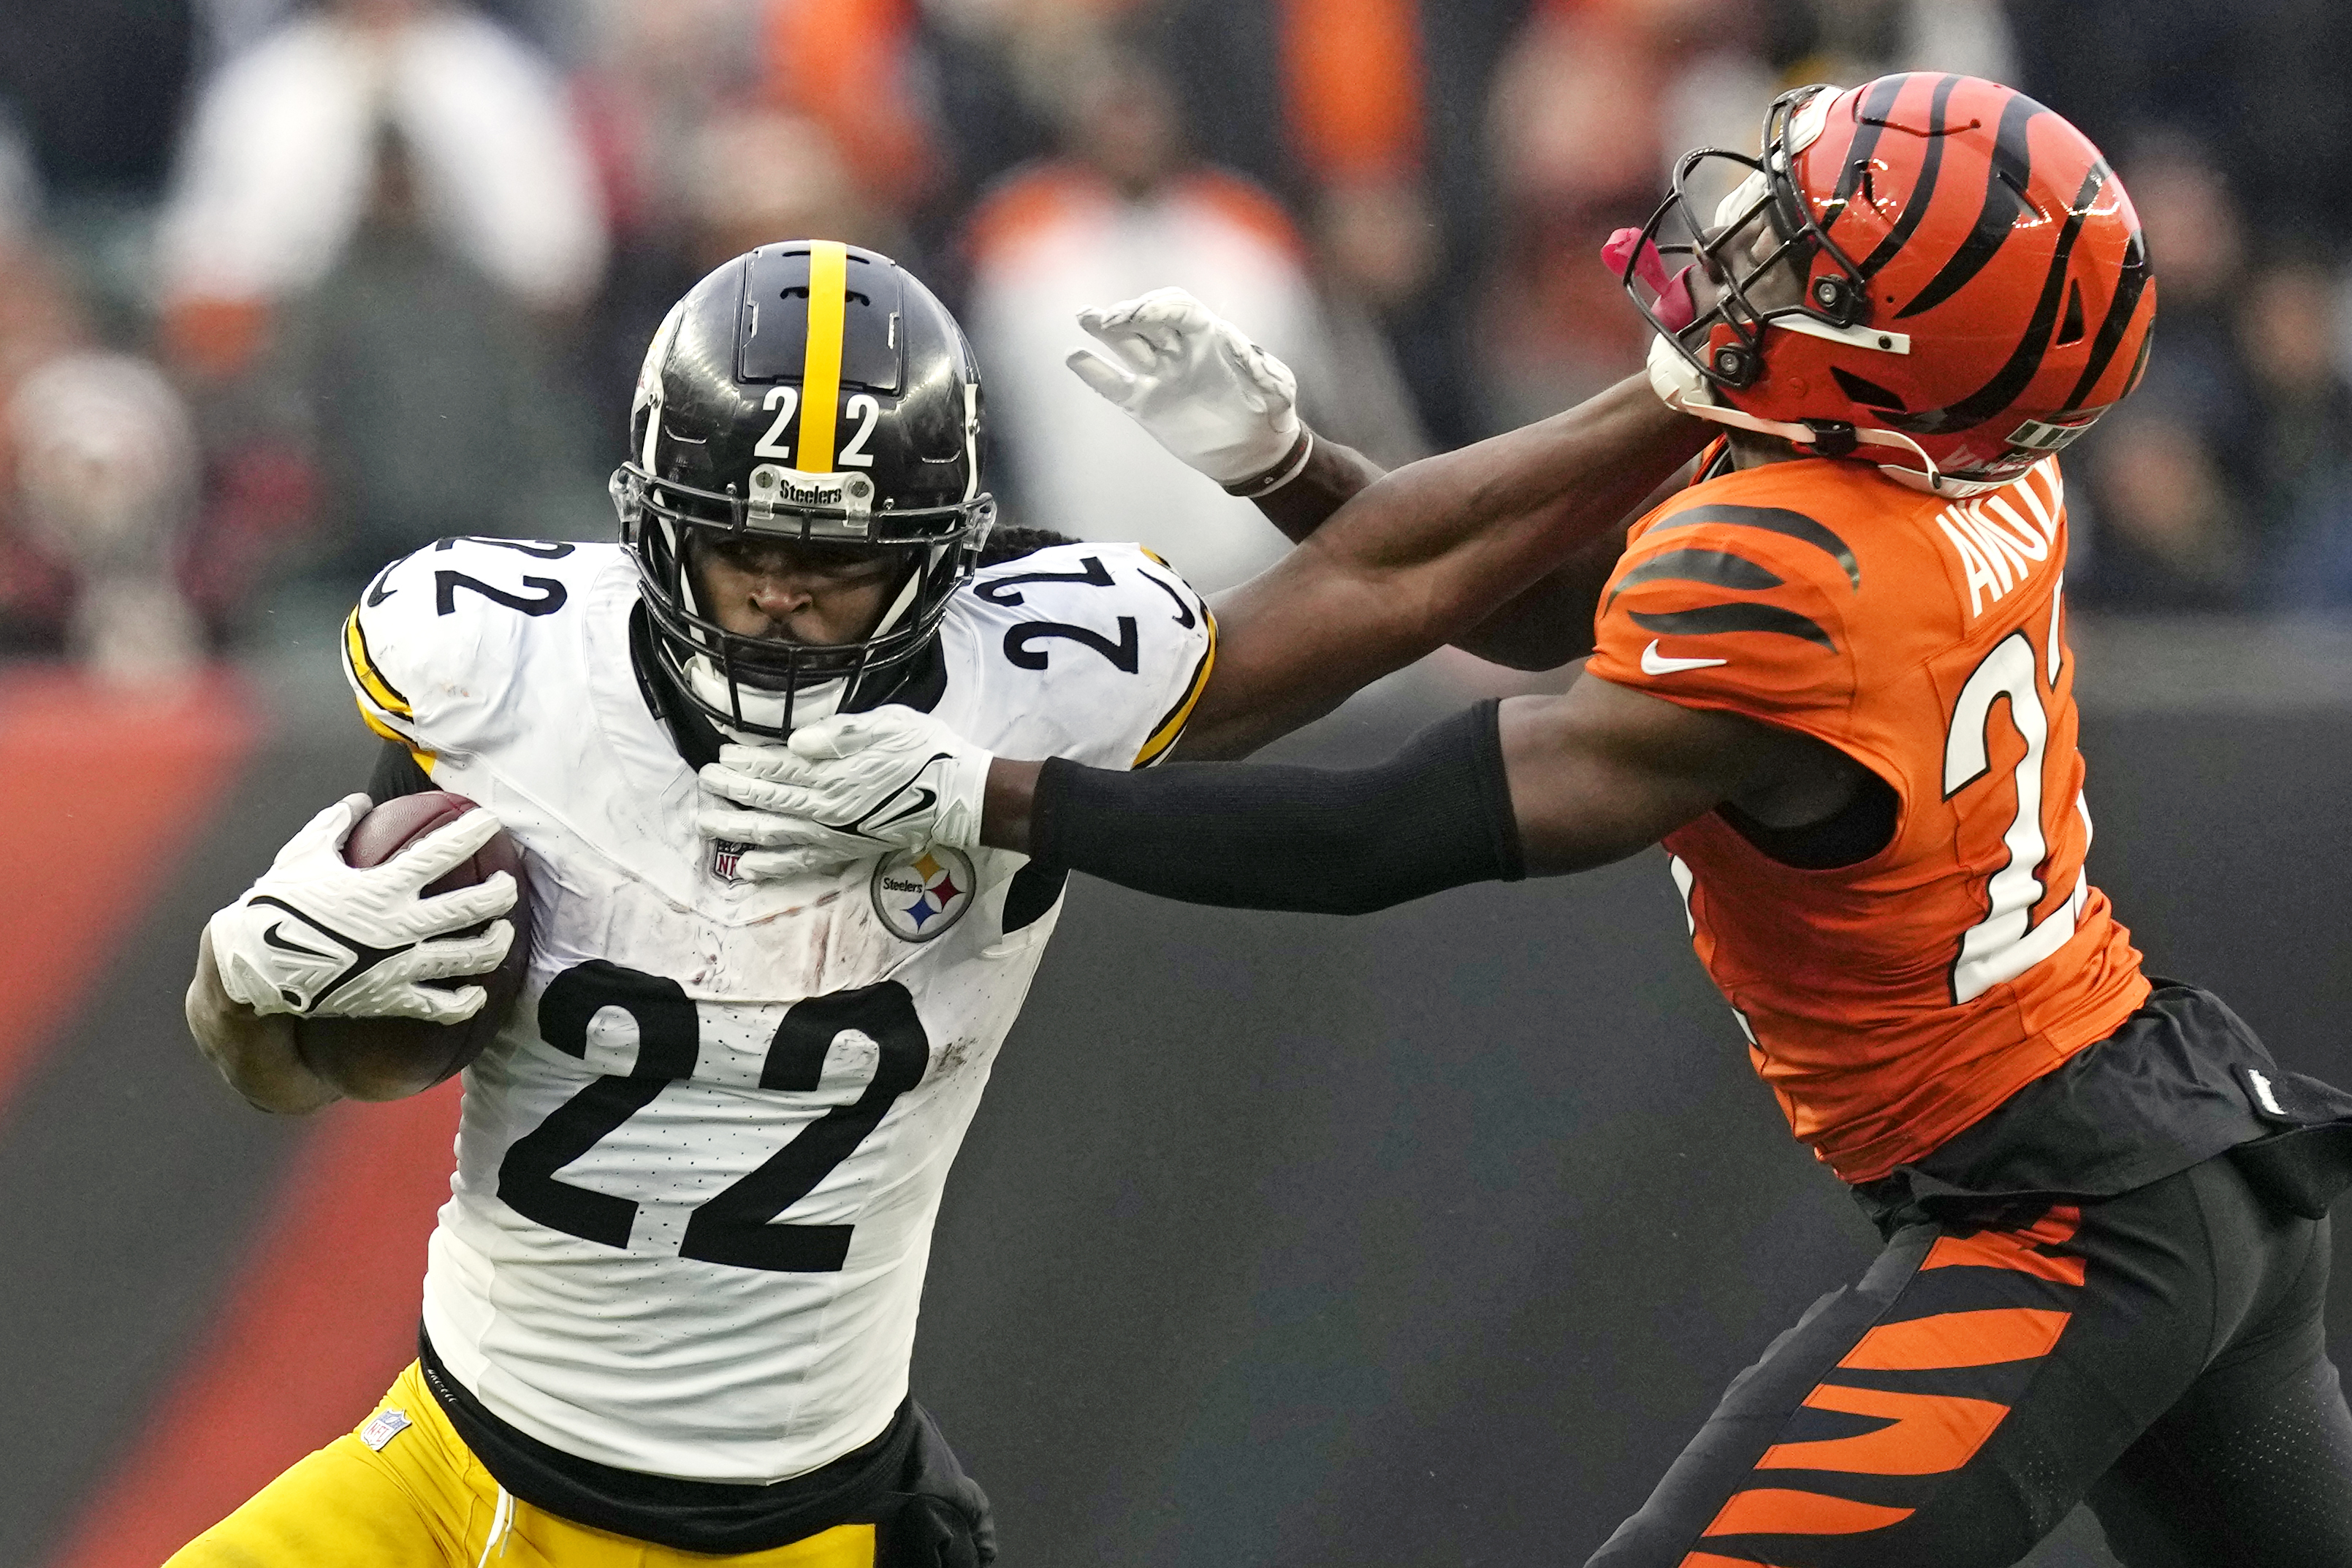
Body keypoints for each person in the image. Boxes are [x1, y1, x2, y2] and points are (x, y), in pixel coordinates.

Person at [742, 79, 2352, 1564]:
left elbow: (1373, 836)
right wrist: (1289, 469)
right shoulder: (1956, 461)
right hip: (2172, 1138)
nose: (1739, 248)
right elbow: (1557, 607)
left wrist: (999, 797)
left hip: (2062, 1221)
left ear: (1893, 347)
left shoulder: (1800, 576)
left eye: (1805, 253)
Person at [178, 240, 1705, 1565]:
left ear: (938, 554)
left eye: (832, 562)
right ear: (651, 519)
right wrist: (246, 983)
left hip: (774, 1523)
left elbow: (1398, 588)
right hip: (444, 1464)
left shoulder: (1032, 677)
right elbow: (311, 1061)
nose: (779, 593)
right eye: (742, 544)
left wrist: (1667, 394)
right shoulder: (501, 670)